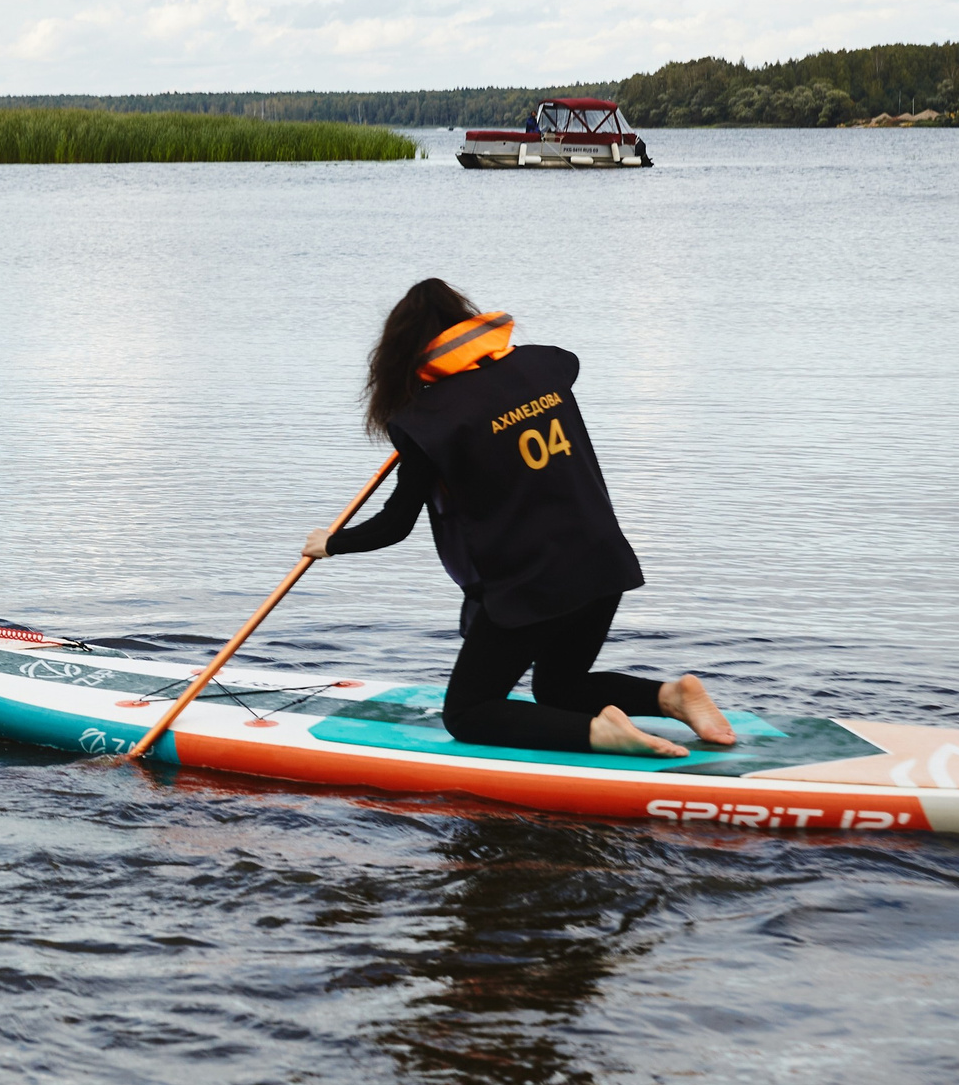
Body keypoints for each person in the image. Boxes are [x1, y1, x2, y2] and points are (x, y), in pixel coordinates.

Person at [299, 278, 734, 758]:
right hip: (601, 563)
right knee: (560, 688)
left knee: (468, 712)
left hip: (532, 583)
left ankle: (602, 734)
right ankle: (669, 697)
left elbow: (395, 524)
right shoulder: (542, 367)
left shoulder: (425, 420)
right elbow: (564, 363)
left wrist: (331, 542)